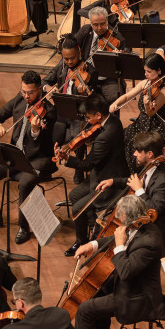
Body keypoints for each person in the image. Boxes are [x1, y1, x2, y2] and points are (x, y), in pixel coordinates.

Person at [70, 195, 165, 329]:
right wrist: (92, 245)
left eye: (120, 217)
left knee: (84, 310)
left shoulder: (150, 241)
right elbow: (116, 238)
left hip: (138, 298)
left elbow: (126, 272)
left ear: (126, 217)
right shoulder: (138, 226)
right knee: (95, 293)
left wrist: (119, 245)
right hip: (129, 288)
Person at [0, 70, 57, 244]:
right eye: (24, 91)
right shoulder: (19, 100)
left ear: (40, 90)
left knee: (25, 183)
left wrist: (35, 131)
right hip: (15, 155)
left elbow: (44, 143)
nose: (26, 96)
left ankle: (23, 227)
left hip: (38, 159)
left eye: (31, 93)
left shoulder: (49, 111)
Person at [57, 94, 128, 256]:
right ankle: (92, 226)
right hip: (101, 173)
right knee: (74, 196)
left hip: (110, 183)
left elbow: (86, 165)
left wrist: (67, 159)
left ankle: (82, 242)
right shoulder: (113, 121)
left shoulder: (105, 136)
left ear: (98, 115)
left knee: (77, 208)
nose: (87, 121)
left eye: (88, 117)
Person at [95, 130, 165, 255]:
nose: (134, 154)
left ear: (149, 154)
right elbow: (134, 180)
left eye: (138, 151)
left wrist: (139, 190)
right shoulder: (149, 168)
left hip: (158, 236)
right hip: (145, 225)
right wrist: (113, 181)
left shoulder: (163, 181)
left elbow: (153, 211)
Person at [109, 55, 165, 173]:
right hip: (142, 122)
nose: (145, 74)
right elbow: (127, 96)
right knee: (123, 136)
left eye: (149, 71)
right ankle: (128, 172)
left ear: (159, 71)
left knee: (138, 144)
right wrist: (115, 103)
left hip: (158, 127)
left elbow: (150, 113)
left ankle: (141, 174)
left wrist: (146, 104)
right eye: (145, 71)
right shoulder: (146, 83)